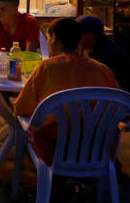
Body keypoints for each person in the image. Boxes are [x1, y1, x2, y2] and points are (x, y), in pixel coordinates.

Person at [13, 17, 121, 164]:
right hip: (96, 150)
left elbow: (21, 108)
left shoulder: (46, 68)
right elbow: (122, 109)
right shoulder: (102, 70)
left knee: (28, 126)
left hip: (54, 150)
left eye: (48, 38)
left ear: (54, 39)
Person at [76, 15, 130, 97]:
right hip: (123, 100)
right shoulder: (105, 47)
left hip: (126, 103)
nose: (77, 38)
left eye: (79, 34)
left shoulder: (103, 55)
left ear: (90, 35)